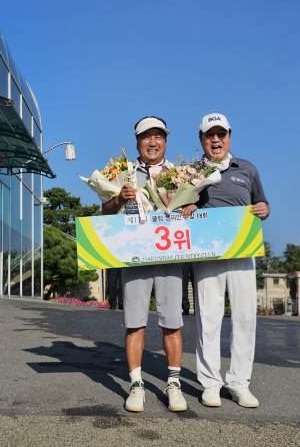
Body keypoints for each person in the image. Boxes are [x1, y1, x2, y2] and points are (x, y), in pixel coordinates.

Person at [181, 113, 269, 409]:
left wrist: (264, 208)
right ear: (201, 139)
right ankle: (210, 383)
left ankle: (239, 383)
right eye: (210, 135)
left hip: (243, 249)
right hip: (206, 252)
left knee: (245, 316)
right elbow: (176, 206)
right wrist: (186, 206)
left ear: (229, 136)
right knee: (208, 317)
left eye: (221, 134)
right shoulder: (190, 172)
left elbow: (261, 202)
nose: (215, 139)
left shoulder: (247, 168)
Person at [101, 116, 187, 413]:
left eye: (158, 136)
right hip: (135, 256)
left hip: (170, 256)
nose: (153, 142)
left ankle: (173, 384)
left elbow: (193, 208)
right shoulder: (122, 171)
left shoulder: (180, 173)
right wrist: (118, 199)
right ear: (137, 142)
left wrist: (191, 205)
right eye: (146, 137)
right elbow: (106, 211)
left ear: (166, 141)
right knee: (135, 322)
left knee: (172, 322)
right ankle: (136, 385)